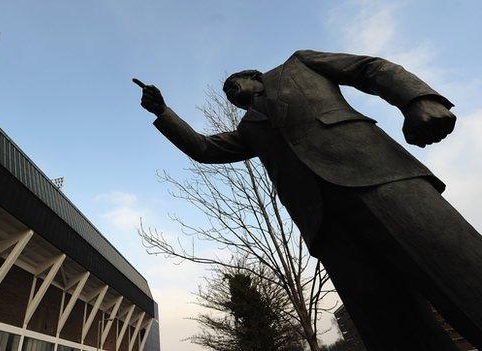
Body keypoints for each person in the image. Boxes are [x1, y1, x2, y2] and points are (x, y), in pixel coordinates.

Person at [134, 50, 482, 351]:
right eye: (226, 94)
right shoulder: (250, 129)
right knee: (389, 325)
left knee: (460, 272)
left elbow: (370, 68)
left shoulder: (299, 66)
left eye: (232, 85)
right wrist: (163, 112)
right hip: (323, 222)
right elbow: (206, 149)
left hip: (380, 178)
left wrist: (418, 99)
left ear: (254, 76)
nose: (230, 94)